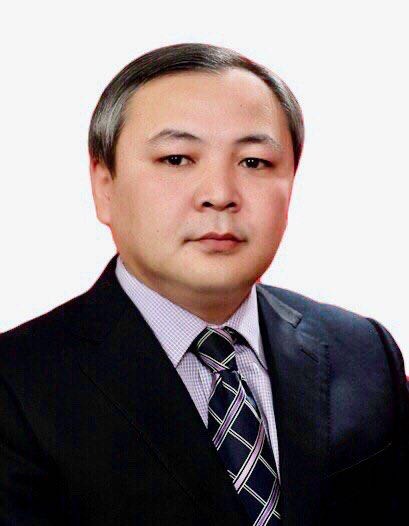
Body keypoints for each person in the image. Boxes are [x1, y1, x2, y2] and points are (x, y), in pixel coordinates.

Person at [0, 43, 407, 526]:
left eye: (254, 162)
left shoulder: (363, 353)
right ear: (104, 184)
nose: (219, 195)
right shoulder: (17, 385)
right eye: (176, 159)